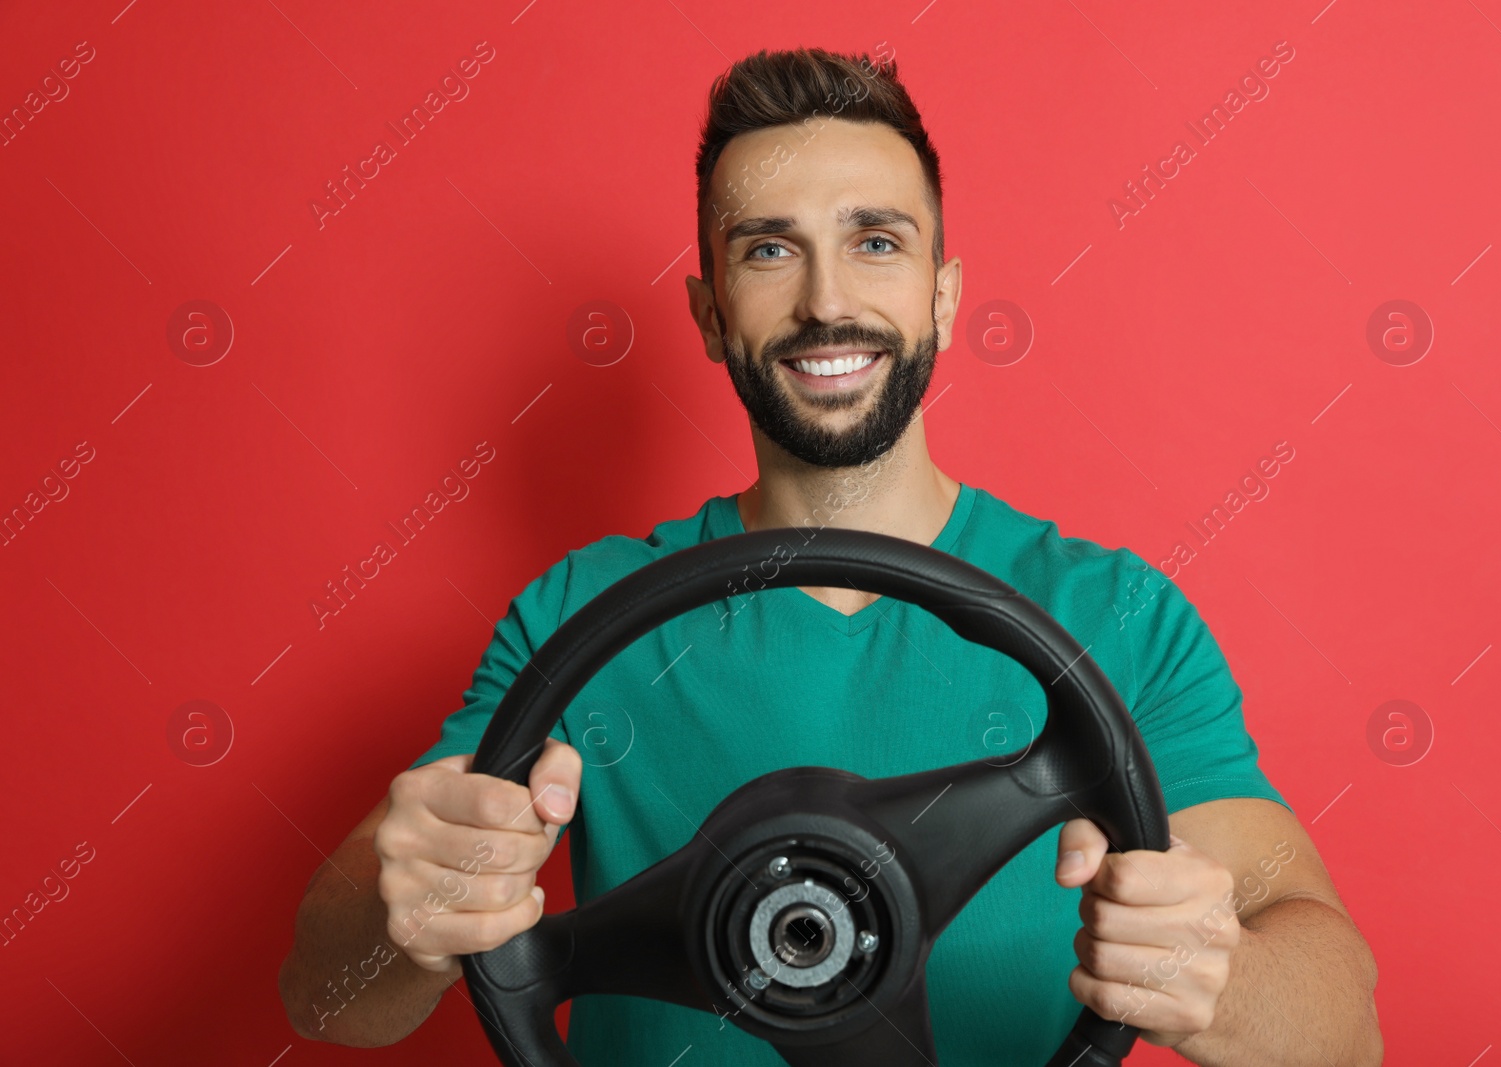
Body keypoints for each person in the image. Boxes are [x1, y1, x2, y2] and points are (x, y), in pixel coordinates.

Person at [278, 47, 1381, 1066]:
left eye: (876, 241)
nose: (826, 301)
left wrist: (1215, 976)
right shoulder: (577, 613)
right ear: (710, 313)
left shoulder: (1118, 617)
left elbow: (1344, 1027)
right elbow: (329, 1000)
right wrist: (403, 905)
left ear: (942, 295)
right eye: (768, 250)